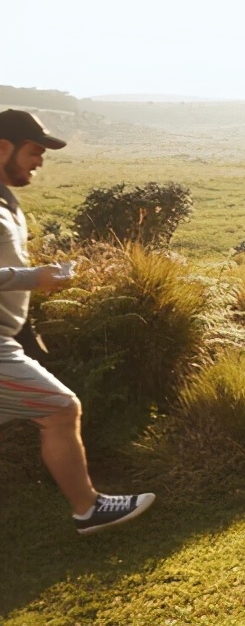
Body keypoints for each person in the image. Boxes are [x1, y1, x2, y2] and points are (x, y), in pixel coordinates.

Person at [0, 109, 156, 534]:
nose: (40, 161)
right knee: (60, 408)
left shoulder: (6, 201)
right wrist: (39, 278)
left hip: (8, 339)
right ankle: (88, 508)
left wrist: (27, 333)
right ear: (2, 147)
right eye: (34, 151)